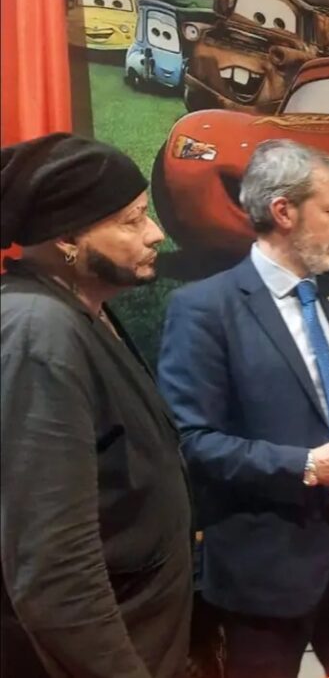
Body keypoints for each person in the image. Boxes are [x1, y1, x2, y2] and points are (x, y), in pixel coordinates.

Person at [157, 139, 329, 678]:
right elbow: (193, 443)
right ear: (283, 211)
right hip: (264, 567)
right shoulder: (204, 308)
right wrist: (307, 466)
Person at [0, 133, 192, 678]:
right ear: (66, 237)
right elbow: (54, 571)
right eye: (132, 220)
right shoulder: (38, 329)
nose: (155, 233)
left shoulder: (79, 311)